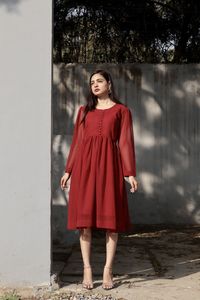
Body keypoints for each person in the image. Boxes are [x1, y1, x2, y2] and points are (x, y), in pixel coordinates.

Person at [60, 69, 138, 290]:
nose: (94, 85)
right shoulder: (84, 111)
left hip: (110, 168)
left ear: (109, 84)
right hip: (85, 168)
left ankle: (107, 270)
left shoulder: (122, 111)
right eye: (92, 82)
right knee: (84, 224)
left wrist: (129, 173)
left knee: (111, 223)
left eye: (99, 81)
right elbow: (77, 143)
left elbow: (125, 143)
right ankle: (87, 269)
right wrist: (68, 170)